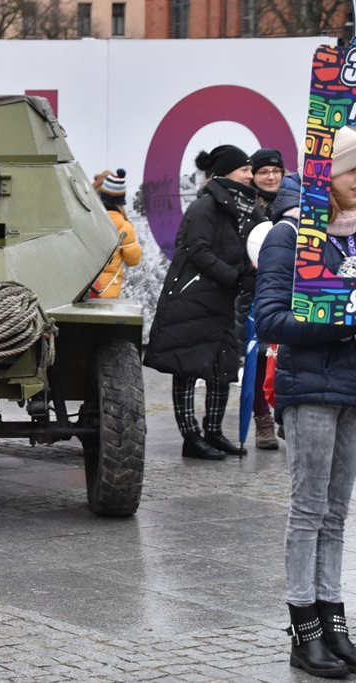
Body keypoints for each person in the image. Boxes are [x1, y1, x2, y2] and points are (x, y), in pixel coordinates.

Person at [254, 125, 356, 678]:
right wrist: (339, 324)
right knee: (308, 509)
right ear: (327, 175)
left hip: (352, 388)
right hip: (310, 386)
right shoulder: (290, 235)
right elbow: (269, 320)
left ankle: (334, 621)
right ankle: (304, 628)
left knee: (337, 513)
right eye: (351, 169)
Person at [144, 145, 261, 460]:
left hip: (220, 301)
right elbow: (198, 250)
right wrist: (235, 279)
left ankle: (214, 433)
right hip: (192, 299)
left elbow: (253, 249)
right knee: (187, 367)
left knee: (223, 368)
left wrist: (250, 276)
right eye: (244, 169)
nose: (250, 175)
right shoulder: (205, 206)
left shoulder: (246, 208)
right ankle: (191, 438)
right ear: (225, 172)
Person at [240, 147, 286, 451]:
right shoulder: (245, 208)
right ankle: (263, 420)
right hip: (253, 292)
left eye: (276, 171)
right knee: (257, 358)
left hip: (288, 290)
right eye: (264, 172)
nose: (271, 177)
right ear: (254, 176)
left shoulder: (295, 204)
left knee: (286, 357)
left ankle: (285, 414)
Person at [89, 169, 141, 298]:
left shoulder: (90, 219)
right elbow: (133, 260)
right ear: (121, 201)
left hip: (84, 288)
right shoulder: (125, 227)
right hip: (108, 289)